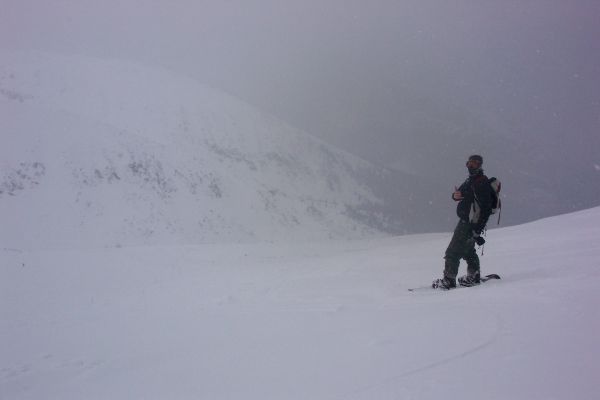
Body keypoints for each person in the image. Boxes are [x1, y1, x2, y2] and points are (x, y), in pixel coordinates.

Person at [433, 155, 493, 289]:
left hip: (469, 223)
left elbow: (486, 209)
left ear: (480, 165)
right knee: (468, 250)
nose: (471, 166)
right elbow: (459, 193)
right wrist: (455, 196)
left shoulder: (481, 182)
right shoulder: (471, 181)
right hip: (470, 222)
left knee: (452, 252)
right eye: (469, 164)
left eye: (474, 164)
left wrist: (477, 229)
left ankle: (449, 280)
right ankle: (474, 276)